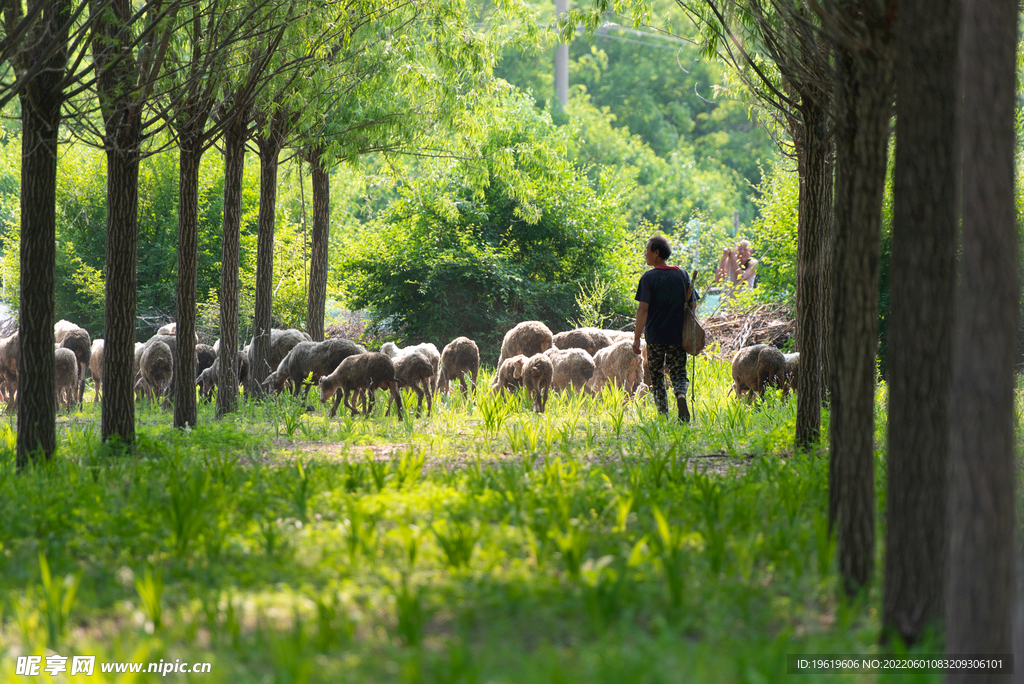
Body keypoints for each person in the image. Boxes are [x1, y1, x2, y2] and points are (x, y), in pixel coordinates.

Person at [632, 235, 697, 422]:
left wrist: (636, 338)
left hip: (655, 337)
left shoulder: (648, 278)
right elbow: (692, 306)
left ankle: (663, 414)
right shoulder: (682, 275)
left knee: (657, 375)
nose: (645, 254)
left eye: (647, 250)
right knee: (678, 372)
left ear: (657, 253)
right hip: (678, 336)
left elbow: (643, 309)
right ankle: (681, 396)